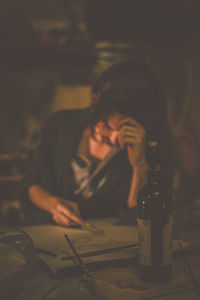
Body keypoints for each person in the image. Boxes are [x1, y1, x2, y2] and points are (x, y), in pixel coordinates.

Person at [22, 62, 173, 226]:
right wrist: (54, 205)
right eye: (107, 126)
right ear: (94, 100)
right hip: (52, 237)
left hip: (109, 245)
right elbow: (31, 183)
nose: (116, 139)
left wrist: (140, 167)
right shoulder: (60, 125)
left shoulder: (148, 147)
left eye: (126, 128)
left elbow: (139, 220)